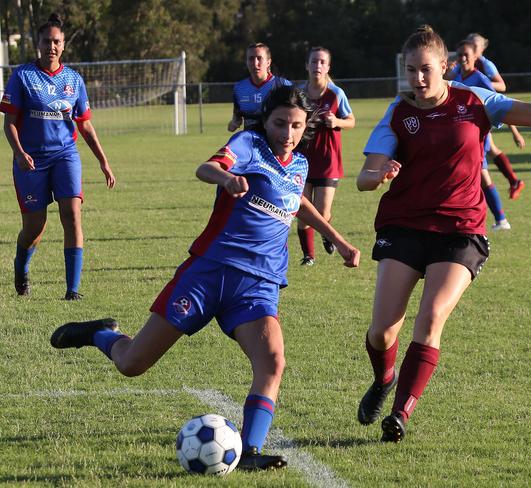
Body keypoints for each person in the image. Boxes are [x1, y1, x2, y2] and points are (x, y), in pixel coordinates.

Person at [50, 85, 361, 470]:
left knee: (272, 362)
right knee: (132, 363)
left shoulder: (299, 165)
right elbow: (206, 167)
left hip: (258, 284)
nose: (288, 133)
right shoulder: (248, 143)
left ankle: (248, 452)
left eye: (296, 126)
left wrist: (340, 241)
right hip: (210, 273)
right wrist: (226, 179)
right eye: (280, 123)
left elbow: (297, 202)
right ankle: (100, 332)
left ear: (306, 126)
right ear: (266, 120)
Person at [356, 25, 531, 442]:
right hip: (406, 224)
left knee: (430, 321)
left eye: (426, 70)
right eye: (411, 70)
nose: (418, 79)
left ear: (445, 67)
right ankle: (384, 378)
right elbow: (364, 176)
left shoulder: (474, 100)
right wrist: (380, 174)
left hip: (460, 230)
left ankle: (400, 415)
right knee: (382, 331)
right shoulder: (399, 111)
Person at [1, 13, 115, 300]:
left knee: (72, 214)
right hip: (31, 160)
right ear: (37, 44)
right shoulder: (22, 76)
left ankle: (72, 290)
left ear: (63, 45)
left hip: (65, 155)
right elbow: (10, 122)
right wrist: (19, 152)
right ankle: (21, 266)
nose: (51, 46)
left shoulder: (74, 80)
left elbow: (85, 125)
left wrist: (103, 160)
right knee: (34, 227)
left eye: (56, 42)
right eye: (46, 41)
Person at [297, 47, 355, 265]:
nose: (317, 66)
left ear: (328, 67)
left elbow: (351, 121)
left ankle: (325, 231)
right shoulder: (299, 95)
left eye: (322, 62)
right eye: (314, 62)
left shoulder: (336, 94)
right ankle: (308, 256)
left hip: (328, 160)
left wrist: (337, 122)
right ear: (307, 65)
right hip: (302, 160)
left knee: (321, 211)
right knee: (301, 211)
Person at [453, 39, 511, 230]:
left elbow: (500, 104)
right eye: (459, 54)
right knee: (477, 178)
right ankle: (498, 220)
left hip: (478, 135)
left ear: (474, 57)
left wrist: (515, 131)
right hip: (463, 135)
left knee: (480, 177)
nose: (462, 58)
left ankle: (499, 219)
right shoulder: (457, 77)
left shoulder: (480, 79)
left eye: (466, 55)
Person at [465, 33, 526, 200]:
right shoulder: (465, 64)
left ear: (482, 48)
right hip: (470, 114)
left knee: (480, 161)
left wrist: (480, 84)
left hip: (481, 113)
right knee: (491, 150)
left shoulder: (485, 66)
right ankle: (514, 182)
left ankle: (498, 215)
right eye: (470, 44)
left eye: (475, 46)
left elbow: (502, 86)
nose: (472, 48)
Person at [227, 43, 292, 132]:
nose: (255, 63)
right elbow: (237, 117)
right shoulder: (239, 88)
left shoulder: (283, 85)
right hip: (251, 142)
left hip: (276, 142)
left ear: (268, 62)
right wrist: (234, 123)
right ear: (246, 62)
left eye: (259, 58)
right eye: (251, 59)